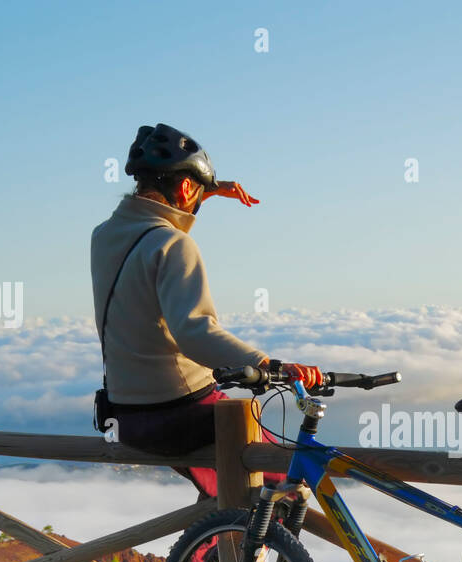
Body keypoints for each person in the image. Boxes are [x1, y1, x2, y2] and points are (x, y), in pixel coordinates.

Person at [90, 122, 321, 499]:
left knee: (228, 496)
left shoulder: (102, 237)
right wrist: (269, 364)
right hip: (178, 413)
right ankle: (227, 555)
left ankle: (206, 549)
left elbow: (147, 224)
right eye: (195, 192)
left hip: (127, 416)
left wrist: (207, 189)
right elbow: (195, 331)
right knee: (280, 488)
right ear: (184, 188)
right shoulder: (174, 245)